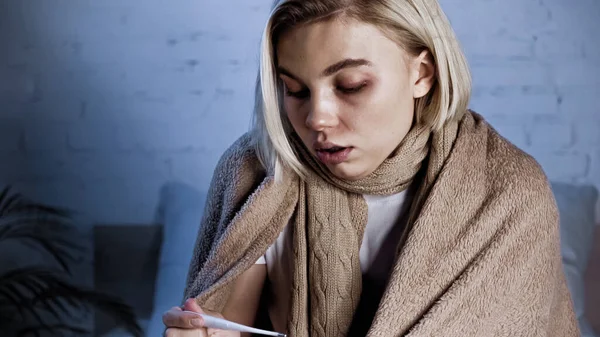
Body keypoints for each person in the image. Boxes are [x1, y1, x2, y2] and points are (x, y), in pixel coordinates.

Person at [162, 0, 579, 336]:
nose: (316, 119)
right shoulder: (259, 174)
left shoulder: (508, 193)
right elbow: (228, 327)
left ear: (422, 74)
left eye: (351, 86)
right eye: (295, 90)